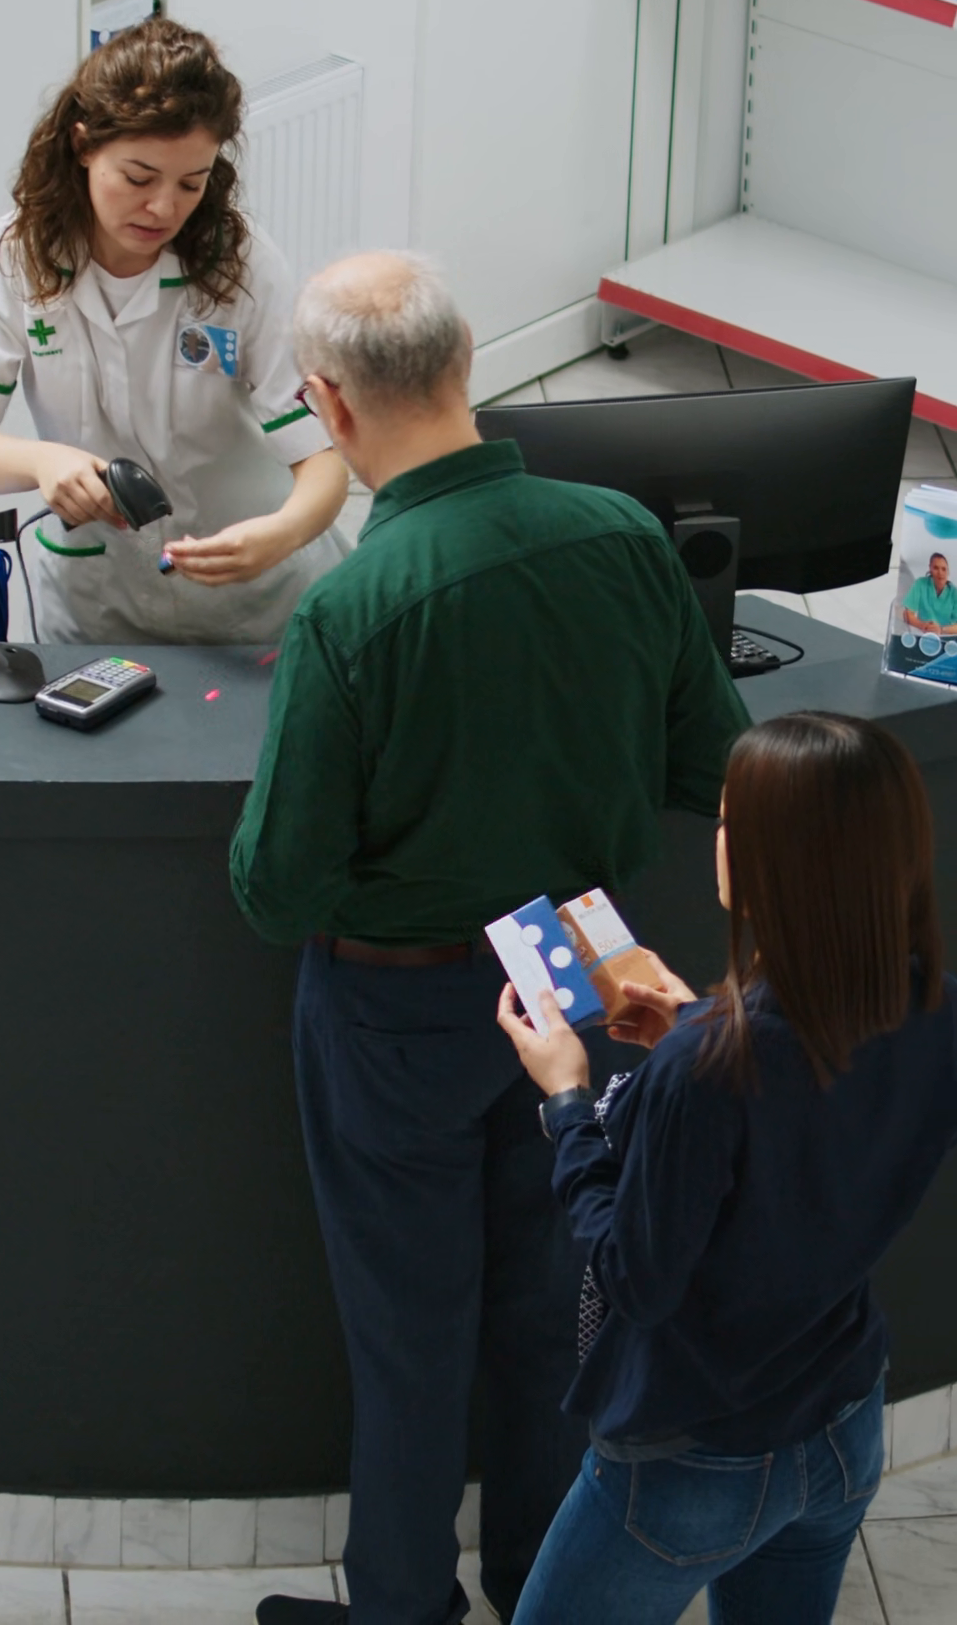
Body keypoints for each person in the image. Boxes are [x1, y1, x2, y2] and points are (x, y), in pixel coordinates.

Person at [229, 251, 749, 1625]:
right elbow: (719, 759)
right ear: (467, 367)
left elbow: (279, 891)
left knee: (409, 1341)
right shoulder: (624, 538)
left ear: (328, 406)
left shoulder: (348, 613)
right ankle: (543, 1593)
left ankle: (403, 1607)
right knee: (555, 1317)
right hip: (579, 989)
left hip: (395, 1020)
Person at [498, 711, 956, 1625]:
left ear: (760, 861)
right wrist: (698, 1031)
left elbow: (635, 1278)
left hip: (694, 1467)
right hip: (844, 1424)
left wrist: (569, 1101)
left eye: (725, 820)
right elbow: (815, 1137)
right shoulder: (934, 1009)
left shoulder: (706, 1068)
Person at [0, 18, 349, 643]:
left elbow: (325, 461)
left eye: (191, 183)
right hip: (99, 604)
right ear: (83, 145)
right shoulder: (17, 255)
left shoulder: (240, 262)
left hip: (255, 600)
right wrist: (42, 459)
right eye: (138, 178)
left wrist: (280, 535)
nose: (163, 208)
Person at [902, 551, 957, 636]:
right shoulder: (920, 584)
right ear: (930, 569)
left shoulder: (954, 593)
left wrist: (941, 629)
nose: (940, 573)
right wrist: (923, 626)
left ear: (948, 572)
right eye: (936, 568)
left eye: (944, 569)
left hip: (946, 638)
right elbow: (907, 614)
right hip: (923, 634)